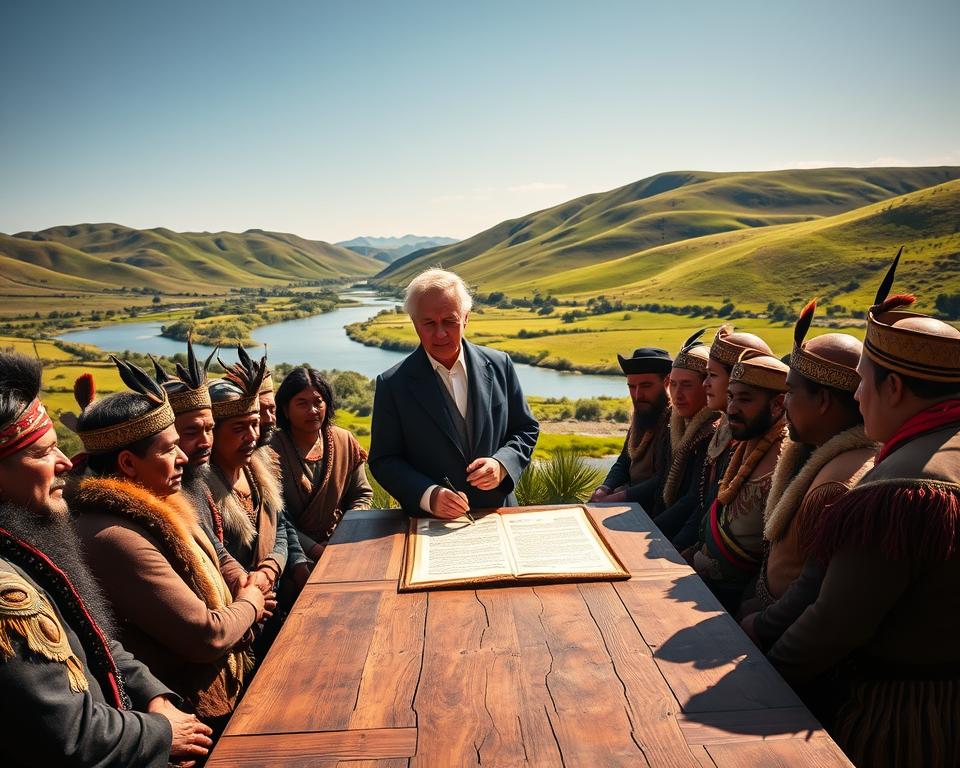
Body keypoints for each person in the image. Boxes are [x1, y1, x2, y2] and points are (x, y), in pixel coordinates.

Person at [768, 250, 960, 767]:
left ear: (893, 387)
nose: (856, 395)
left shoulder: (900, 491)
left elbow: (834, 624)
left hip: (902, 722)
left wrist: (757, 679)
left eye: (863, 381)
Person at [0, 351, 214, 767]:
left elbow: (92, 635)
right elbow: (68, 736)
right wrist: (163, 733)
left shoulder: (27, 545)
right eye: (42, 454)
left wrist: (153, 695)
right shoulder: (6, 591)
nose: (64, 462)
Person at [66, 357, 267, 734]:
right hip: (187, 710)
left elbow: (211, 551)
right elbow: (206, 636)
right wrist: (252, 602)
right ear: (127, 463)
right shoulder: (116, 539)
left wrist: (237, 579)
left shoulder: (162, 507)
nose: (183, 457)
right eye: (168, 450)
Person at [739, 300, 877, 649]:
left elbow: (815, 587)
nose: (783, 403)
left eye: (790, 392)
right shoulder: (810, 454)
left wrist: (761, 626)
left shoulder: (839, 484)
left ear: (824, 401)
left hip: (784, 639)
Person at [369, 268, 539, 518]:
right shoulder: (392, 384)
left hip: (500, 513)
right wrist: (428, 495)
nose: (440, 333)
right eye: (429, 323)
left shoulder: (501, 364)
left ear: (466, 318)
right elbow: (384, 460)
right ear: (415, 324)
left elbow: (526, 428)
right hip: (431, 528)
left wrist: (502, 464)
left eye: (450, 321)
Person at [691, 352, 789, 612]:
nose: (732, 408)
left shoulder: (785, 464)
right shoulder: (741, 445)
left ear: (778, 404)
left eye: (745, 399)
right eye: (732, 396)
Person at [152, 342, 249, 594]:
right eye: (192, 431)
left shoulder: (194, 483)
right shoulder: (158, 493)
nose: (206, 442)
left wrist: (241, 578)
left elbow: (215, 548)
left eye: (210, 429)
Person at [270, 366, 372, 561]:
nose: (312, 411)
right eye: (302, 403)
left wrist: (343, 534)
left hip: (342, 542)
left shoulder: (344, 441)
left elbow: (361, 495)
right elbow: (275, 519)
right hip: (292, 552)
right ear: (285, 409)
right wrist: (315, 549)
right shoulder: (271, 452)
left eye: (318, 402)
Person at [651, 331, 721, 545]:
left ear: (706, 385)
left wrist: (650, 530)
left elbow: (694, 500)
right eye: (673, 384)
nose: (677, 394)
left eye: (687, 385)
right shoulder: (674, 421)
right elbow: (662, 477)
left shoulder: (712, 432)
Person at [589, 347, 673, 513]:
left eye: (646, 386)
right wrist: (604, 488)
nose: (637, 394)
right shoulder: (642, 415)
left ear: (668, 382)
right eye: (632, 387)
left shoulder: (674, 423)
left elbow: (663, 479)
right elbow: (624, 461)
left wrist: (616, 498)